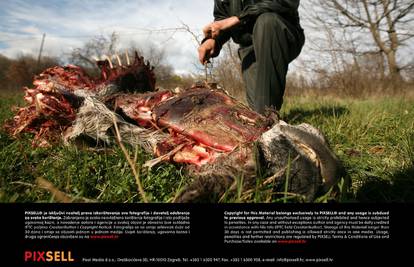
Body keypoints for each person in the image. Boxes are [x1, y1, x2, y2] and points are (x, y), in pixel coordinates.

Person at [198, 0, 305, 114]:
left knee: (266, 22)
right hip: (249, 48)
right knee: (257, 107)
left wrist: (238, 18)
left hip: (282, 31)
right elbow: (222, 18)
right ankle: (263, 118)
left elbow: (286, 3)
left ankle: (267, 122)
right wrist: (214, 40)